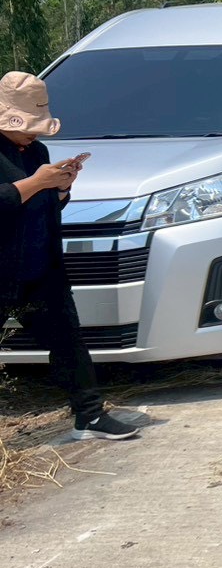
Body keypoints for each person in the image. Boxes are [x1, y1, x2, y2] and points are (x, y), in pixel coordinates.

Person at [0, 71, 147, 440]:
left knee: (69, 343)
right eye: (29, 126)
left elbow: (46, 209)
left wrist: (62, 188)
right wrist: (38, 182)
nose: (35, 133)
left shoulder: (38, 152)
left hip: (41, 269)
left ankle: (90, 416)